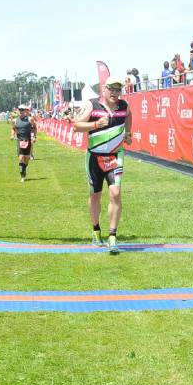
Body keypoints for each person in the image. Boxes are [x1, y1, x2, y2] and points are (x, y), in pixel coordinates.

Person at [73, 77, 132, 254]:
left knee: (115, 192)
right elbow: (77, 125)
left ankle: (113, 236)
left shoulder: (124, 106)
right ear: (103, 90)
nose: (115, 93)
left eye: (118, 90)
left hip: (115, 156)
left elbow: (129, 115)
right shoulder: (92, 105)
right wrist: (96, 124)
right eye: (112, 89)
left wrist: (128, 133)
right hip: (94, 157)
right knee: (95, 195)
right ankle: (96, 230)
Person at [10, 104, 36, 182]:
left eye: (22, 110)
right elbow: (13, 129)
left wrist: (34, 137)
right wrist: (12, 135)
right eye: (20, 110)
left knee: (26, 158)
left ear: (25, 111)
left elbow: (34, 128)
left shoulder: (30, 119)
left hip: (28, 140)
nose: (21, 111)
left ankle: (24, 168)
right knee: (21, 158)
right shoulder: (15, 120)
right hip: (19, 140)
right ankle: (22, 175)